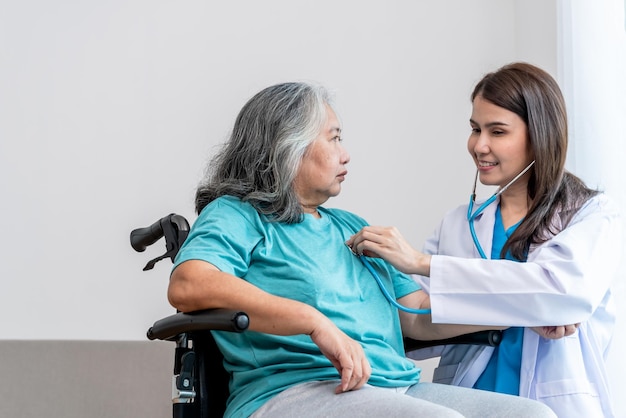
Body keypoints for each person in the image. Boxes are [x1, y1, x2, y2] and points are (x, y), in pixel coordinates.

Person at [166, 81, 556, 418]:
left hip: (394, 388)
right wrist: (313, 321)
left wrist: (514, 312)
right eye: (333, 138)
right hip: (292, 391)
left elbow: (417, 315)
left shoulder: (350, 226)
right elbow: (189, 283)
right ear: (289, 147)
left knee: (533, 414)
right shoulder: (238, 215)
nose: (345, 153)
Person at [346, 62, 623, 417]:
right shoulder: (459, 223)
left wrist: (422, 263)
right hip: (468, 397)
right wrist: (524, 309)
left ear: (540, 135)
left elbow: (563, 292)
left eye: (497, 131)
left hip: (553, 400)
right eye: (475, 129)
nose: (479, 145)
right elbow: (411, 319)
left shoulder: (592, 214)